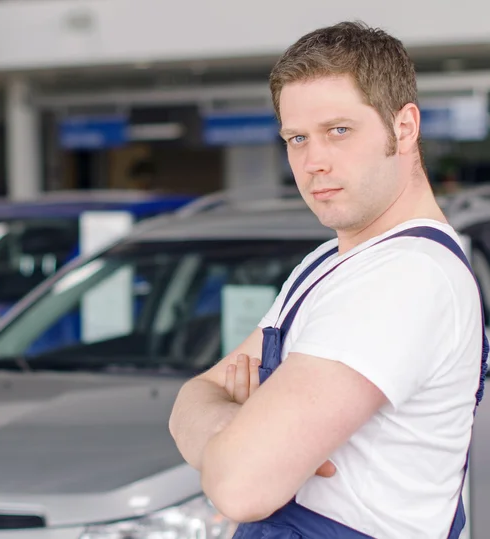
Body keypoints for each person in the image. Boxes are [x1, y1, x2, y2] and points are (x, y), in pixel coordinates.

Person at [168, 21, 488, 539]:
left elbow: (241, 488)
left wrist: (244, 449)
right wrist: (234, 436)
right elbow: (195, 393)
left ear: (404, 127)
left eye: (339, 131)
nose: (313, 162)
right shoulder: (327, 262)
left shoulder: (406, 276)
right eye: (297, 138)